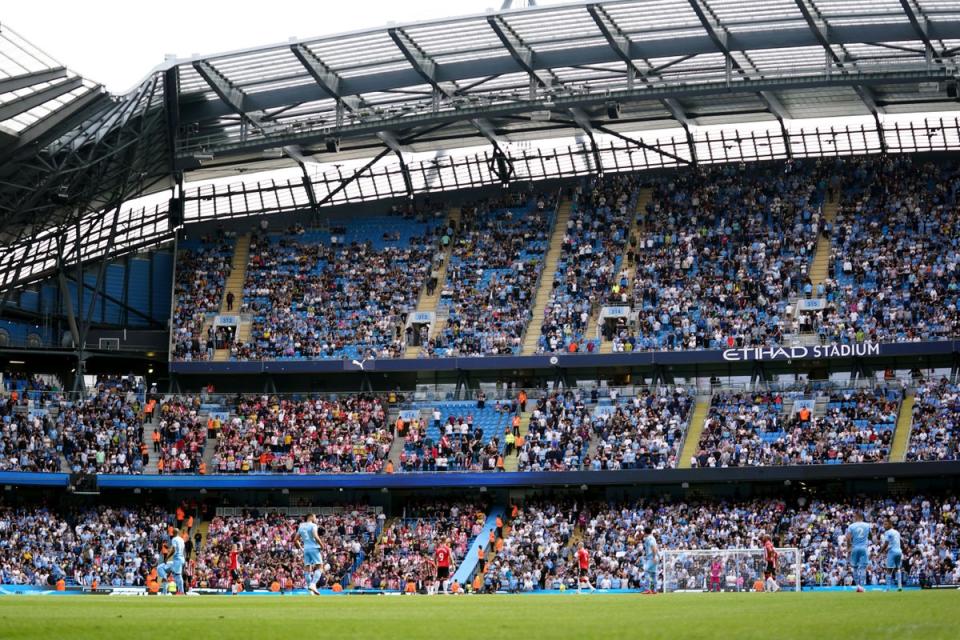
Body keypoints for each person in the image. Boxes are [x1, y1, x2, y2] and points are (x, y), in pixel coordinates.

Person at [294, 513, 324, 595]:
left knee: (307, 568)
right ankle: (313, 584)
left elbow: (295, 540)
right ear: (310, 517)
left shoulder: (301, 525)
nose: (315, 519)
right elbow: (315, 536)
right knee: (320, 566)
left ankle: (310, 590)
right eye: (315, 517)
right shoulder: (313, 525)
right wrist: (322, 545)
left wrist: (300, 548)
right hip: (314, 547)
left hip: (306, 549)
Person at [157, 527, 188, 595]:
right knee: (176, 574)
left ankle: (181, 592)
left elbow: (173, 550)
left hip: (177, 559)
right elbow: (183, 550)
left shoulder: (174, 539)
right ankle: (180, 591)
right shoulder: (181, 540)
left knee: (177, 575)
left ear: (173, 533)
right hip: (182, 558)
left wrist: (167, 557)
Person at [846, 513, 873, 591]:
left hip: (855, 548)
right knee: (863, 568)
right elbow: (870, 536)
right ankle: (862, 586)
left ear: (857, 517)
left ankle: (858, 586)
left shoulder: (851, 526)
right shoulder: (867, 525)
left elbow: (848, 538)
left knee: (854, 568)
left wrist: (848, 548)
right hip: (864, 548)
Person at [881, 518, 904, 592]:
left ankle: (887, 588)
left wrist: (880, 552)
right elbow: (896, 542)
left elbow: (886, 543)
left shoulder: (888, 532)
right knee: (898, 568)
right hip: (899, 551)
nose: (884, 526)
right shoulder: (897, 532)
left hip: (892, 552)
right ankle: (900, 586)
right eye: (884, 524)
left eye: (886, 524)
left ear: (890, 524)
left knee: (889, 570)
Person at [643, 527, 659, 593]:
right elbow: (656, 548)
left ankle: (648, 589)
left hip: (652, 557)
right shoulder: (653, 538)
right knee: (653, 573)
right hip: (654, 557)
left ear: (645, 532)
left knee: (646, 570)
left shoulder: (649, 538)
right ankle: (654, 589)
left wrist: (654, 556)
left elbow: (653, 547)